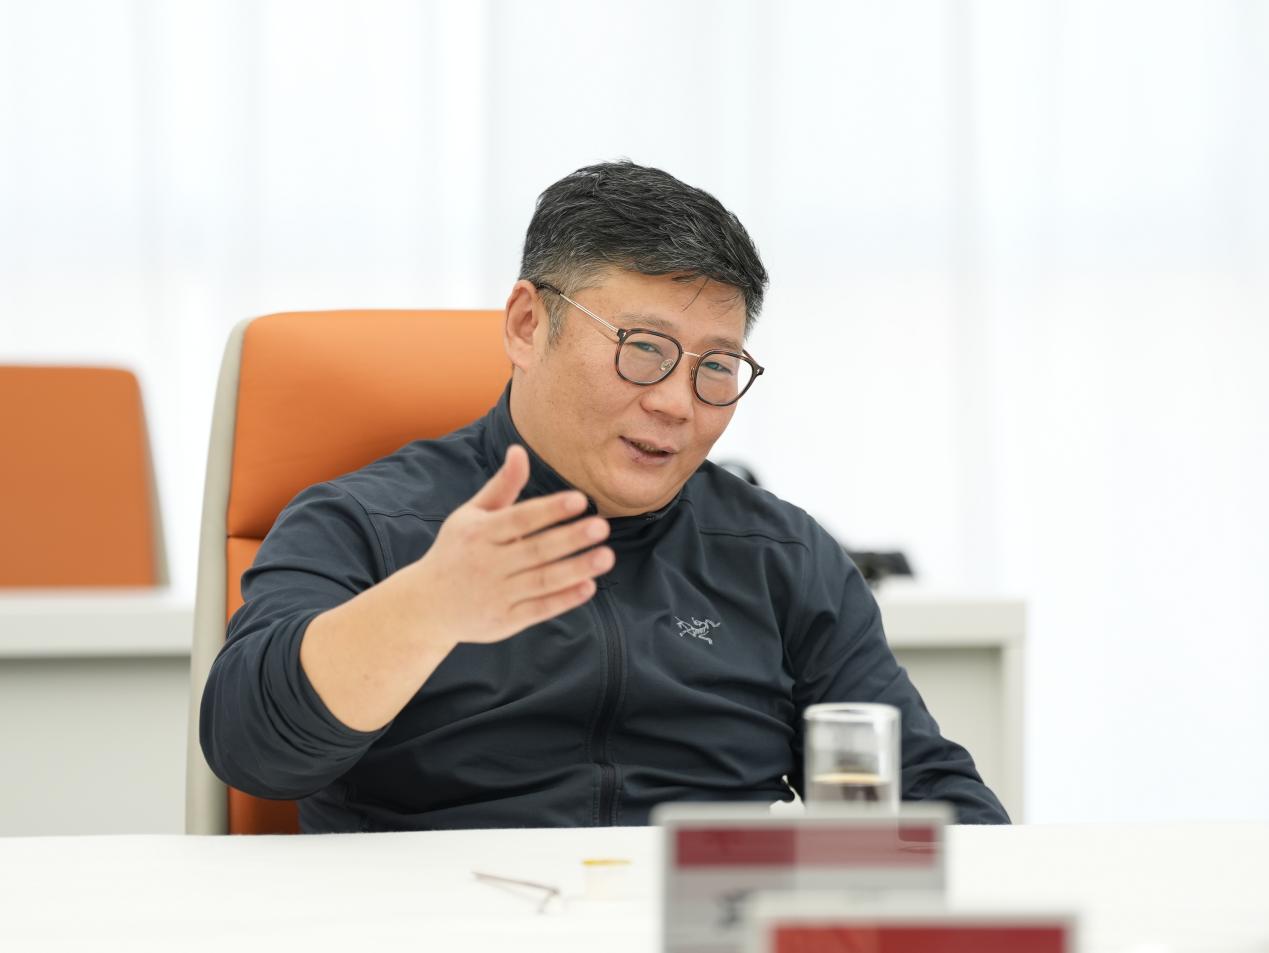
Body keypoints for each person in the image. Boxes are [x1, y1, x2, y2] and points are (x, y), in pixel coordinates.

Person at [200, 160, 1009, 832]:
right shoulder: (363, 523)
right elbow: (249, 750)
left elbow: (929, 791)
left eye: (716, 367)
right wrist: (427, 608)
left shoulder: (781, 558)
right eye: (643, 348)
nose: (678, 404)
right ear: (527, 325)